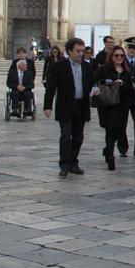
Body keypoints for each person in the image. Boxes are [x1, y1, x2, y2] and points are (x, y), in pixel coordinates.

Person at [44, 38, 94, 177]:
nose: (81, 53)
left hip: (81, 105)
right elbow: (51, 87)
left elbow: (90, 84)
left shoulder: (87, 67)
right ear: (69, 51)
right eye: (78, 51)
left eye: (82, 51)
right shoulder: (59, 66)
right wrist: (47, 106)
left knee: (78, 137)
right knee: (65, 136)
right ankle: (64, 164)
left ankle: (73, 162)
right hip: (65, 105)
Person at [92, 44, 135, 171]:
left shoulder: (127, 70)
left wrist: (123, 84)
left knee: (120, 130)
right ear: (111, 56)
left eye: (122, 55)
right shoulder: (104, 69)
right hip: (108, 104)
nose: (119, 58)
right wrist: (106, 82)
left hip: (122, 105)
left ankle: (107, 149)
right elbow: (94, 79)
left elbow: (132, 87)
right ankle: (111, 158)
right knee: (110, 131)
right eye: (116, 55)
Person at [7, 47, 36, 117]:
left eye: (22, 53)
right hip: (17, 83)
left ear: (25, 54)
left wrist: (28, 83)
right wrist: (17, 86)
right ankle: (15, 109)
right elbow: (10, 78)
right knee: (15, 93)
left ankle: (27, 110)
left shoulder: (30, 63)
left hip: (26, 82)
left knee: (28, 93)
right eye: (19, 53)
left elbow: (33, 72)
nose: (21, 55)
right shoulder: (15, 62)